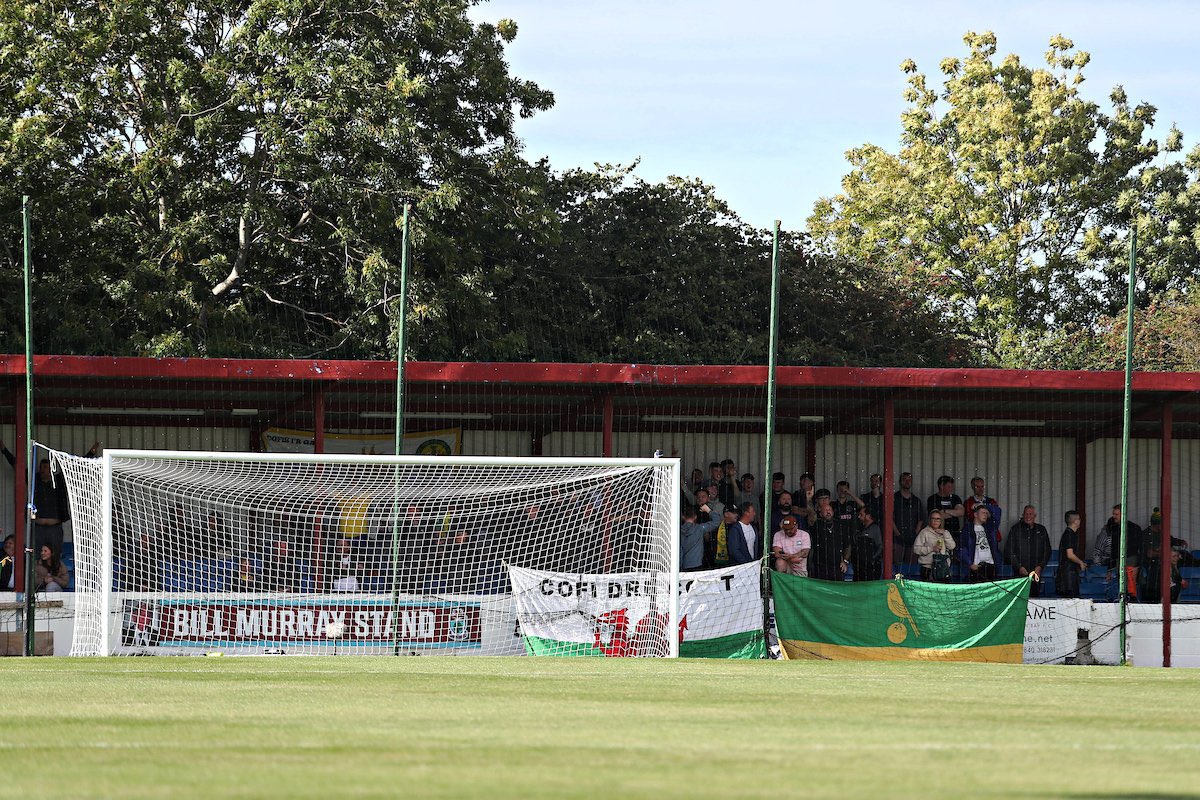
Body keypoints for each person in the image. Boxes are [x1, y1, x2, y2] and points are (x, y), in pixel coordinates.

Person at [1003, 505, 1052, 597]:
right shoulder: (1015, 529)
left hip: (1036, 573)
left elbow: (1047, 550)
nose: (1028, 516)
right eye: (1026, 514)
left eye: (1030, 514)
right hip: (1019, 574)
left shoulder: (1041, 530)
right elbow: (1009, 550)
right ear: (1023, 515)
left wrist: (1040, 566)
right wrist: (1019, 567)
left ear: (1035, 515)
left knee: (1034, 598)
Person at [1101, 504, 1143, 600]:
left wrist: (1138, 566)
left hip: (1131, 562)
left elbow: (1141, 548)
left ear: (1123, 514)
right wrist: (1110, 568)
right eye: (1113, 514)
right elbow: (1114, 550)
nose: (1114, 516)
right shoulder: (1114, 529)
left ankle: (1133, 601)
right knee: (1122, 586)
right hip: (1119, 562)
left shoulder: (1134, 528)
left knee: (1131, 587)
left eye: (1116, 514)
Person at [956, 504, 1001, 583]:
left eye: (986, 513)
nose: (985, 515)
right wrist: (970, 563)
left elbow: (998, 512)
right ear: (975, 514)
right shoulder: (967, 529)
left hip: (991, 566)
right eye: (983, 513)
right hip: (976, 567)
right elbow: (961, 548)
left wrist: (984, 505)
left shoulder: (989, 528)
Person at [807, 502, 850, 581]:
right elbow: (811, 517)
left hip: (837, 566)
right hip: (820, 567)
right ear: (820, 514)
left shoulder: (840, 526)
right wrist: (809, 500)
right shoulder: (816, 526)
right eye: (825, 510)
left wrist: (845, 561)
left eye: (829, 509)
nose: (828, 512)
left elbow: (847, 545)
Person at [913, 511, 956, 583]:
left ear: (941, 521)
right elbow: (916, 549)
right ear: (930, 520)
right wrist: (931, 549)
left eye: (938, 519)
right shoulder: (924, 532)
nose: (935, 521)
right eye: (933, 518)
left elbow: (952, 546)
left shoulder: (945, 532)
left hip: (943, 567)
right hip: (928, 568)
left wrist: (945, 534)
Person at [892, 471, 925, 565]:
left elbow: (920, 519)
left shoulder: (916, 500)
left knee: (911, 566)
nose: (907, 482)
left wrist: (915, 533)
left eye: (909, 480)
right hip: (897, 538)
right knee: (896, 566)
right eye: (904, 480)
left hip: (912, 538)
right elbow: (890, 518)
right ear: (900, 482)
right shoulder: (894, 498)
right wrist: (897, 533)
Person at [679, 504, 722, 572]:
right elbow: (716, 521)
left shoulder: (677, 531)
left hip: (682, 565)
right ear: (695, 517)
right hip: (697, 565)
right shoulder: (700, 528)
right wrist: (708, 510)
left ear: (682, 516)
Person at [1055, 511, 1087, 599]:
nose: (1080, 521)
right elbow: (1070, 554)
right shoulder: (1069, 534)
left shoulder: (1070, 534)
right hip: (1068, 577)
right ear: (1075, 521)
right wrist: (1080, 562)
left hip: (1068, 575)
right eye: (1079, 519)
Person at [850, 506, 882, 581]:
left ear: (868, 516)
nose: (859, 516)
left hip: (871, 568)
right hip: (859, 567)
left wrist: (872, 559)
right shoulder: (860, 528)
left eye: (861, 514)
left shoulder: (875, 529)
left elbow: (880, 546)